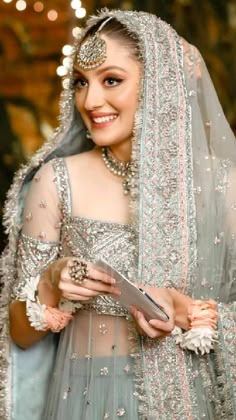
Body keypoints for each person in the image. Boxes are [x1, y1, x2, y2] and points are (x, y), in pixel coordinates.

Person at [0, 8, 235, 420]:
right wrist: (51, 285)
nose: (90, 101)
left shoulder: (222, 188)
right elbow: (19, 335)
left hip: (191, 403)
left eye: (112, 80)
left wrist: (189, 313)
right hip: (83, 399)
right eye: (80, 83)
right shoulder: (56, 181)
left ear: (159, 82)